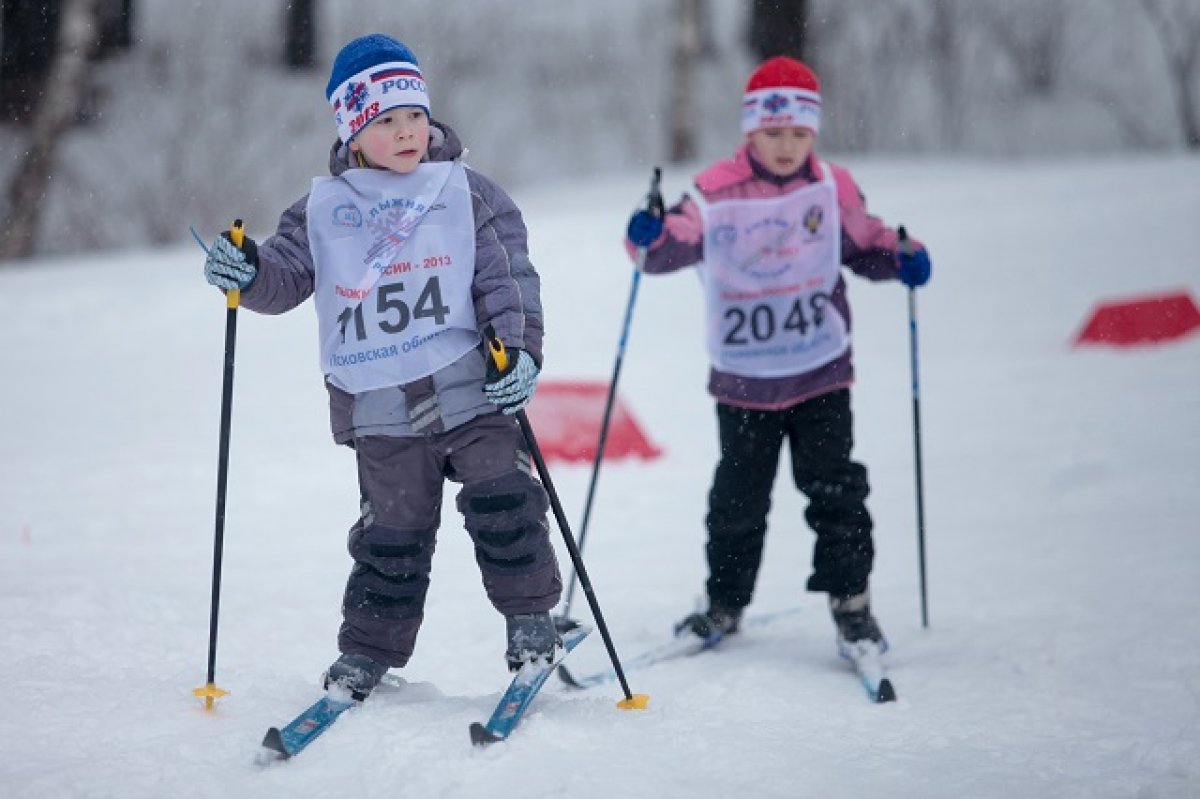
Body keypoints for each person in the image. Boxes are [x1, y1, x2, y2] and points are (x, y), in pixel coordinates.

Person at [202, 34, 563, 699]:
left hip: (471, 390)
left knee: (505, 504)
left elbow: (508, 278)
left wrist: (520, 350)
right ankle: (367, 652)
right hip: (381, 407)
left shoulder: (466, 192)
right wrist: (246, 271)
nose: (406, 132)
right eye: (385, 120)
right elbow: (282, 278)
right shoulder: (322, 210)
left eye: (415, 115)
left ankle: (532, 621)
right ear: (353, 131)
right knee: (390, 538)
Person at [624, 56, 932, 660]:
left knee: (836, 491)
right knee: (737, 501)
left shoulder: (831, 187)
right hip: (744, 383)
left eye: (798, 133)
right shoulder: (713, 193)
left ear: (812, 131)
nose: (786, 145)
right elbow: (666, 249)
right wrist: (648, 234)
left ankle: (853, 605)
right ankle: (723, 603)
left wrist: (903, 257)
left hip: (821, 372)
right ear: (750, 131)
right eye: (773, 133)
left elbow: (866, 243)